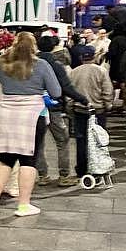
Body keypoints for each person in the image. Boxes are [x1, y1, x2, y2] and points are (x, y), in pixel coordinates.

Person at [0, 32, 61, 218]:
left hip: (7, 115)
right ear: (33, 46)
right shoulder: (41, 65)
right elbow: (56, 91)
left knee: (5, 159)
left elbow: (0, 81)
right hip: (33, 116)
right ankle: (23, 205)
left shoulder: (1, 64)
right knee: (28, 160)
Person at [37, 35, 87, 186]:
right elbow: (66, 87)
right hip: (54, 107)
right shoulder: (56, 65)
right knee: (62, 140)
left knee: (38, 142)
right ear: (53, 47)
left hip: (35, 108)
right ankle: (64, 175)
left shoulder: (31, 64)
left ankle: (42, 175)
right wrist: (82, 99)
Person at [71, 45, 114, 127]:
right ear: (94, 56)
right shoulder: (101, 71)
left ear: (81, 57)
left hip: (79, 109)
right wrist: (108, 105)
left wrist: (70, 107)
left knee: (81, 137)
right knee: (98, 136)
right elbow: (107, 90)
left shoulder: (74, 72)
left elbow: (70, 92)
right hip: (98, 109)